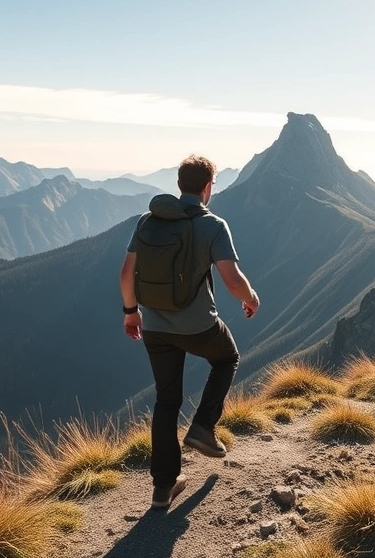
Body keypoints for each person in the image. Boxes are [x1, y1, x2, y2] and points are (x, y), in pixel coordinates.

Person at [119, 155, 260, 510]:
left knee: (166, 402)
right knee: (227, 358)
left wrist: (131, 313)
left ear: (179, 183)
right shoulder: (213, 225)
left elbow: (125, 275)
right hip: (198, 325)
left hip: (154, 326)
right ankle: (202, 427)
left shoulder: (148, 221)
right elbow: (232, 280)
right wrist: (251, 298)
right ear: (208, 186)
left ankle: (163, 488)